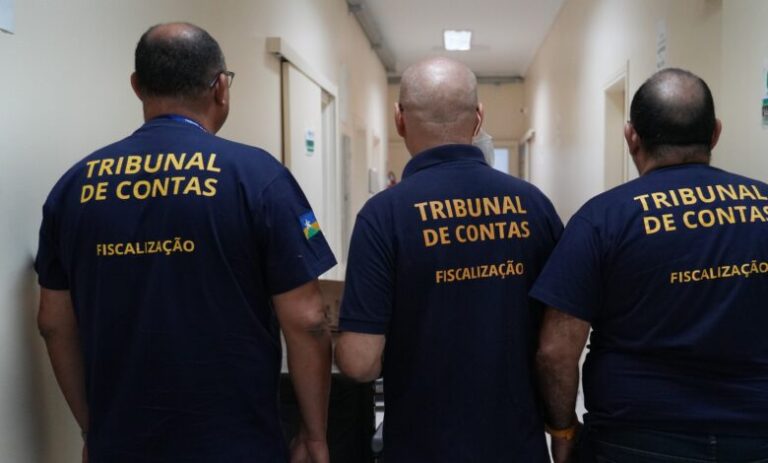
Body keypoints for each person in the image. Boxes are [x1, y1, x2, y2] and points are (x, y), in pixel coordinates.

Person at [35, 23, 335, 463]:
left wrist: (92, 428)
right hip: (238, 445)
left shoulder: (73, 188)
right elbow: (308, 320)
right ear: (221, 88)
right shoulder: (258, 177)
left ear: (137, 86)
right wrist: (314, 435)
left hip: (121, 446)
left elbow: (53, 323)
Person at [532, 68, 768, 462]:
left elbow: (556, 349)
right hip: (756, 432)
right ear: (715, 132)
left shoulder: (602, 219)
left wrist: (563, 430)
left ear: (631, 136)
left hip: (634, 437)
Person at [334, 57, 563, 462]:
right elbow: (559, 343)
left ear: (399, 119)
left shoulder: (383, 216)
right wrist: (563, 429)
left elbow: (359, 362)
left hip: (421, 448)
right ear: (479, 118)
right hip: (517, 446)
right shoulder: (535, 206)